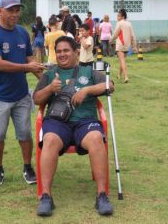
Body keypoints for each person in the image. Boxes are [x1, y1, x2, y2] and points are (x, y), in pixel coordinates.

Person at [33, 36, 114, 217]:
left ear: (76, 52)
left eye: (66, 51)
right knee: (50, 139)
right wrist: (49, 89)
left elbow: (110, 85)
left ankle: (102, 195)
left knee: (95, 138)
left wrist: (87, 90)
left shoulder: (88, 71)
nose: (62, 55)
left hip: (85, 121)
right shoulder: (50, 74)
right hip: (57, 122)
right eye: (59, 51)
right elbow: (37, 99)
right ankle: (46, 197)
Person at [0, 0, 46, 186]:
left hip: (21, 95)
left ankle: (27, 167)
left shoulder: (22, 33)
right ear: (0, 11)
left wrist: (45, 80)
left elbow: (29, 59)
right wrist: (28, 68)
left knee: (25, 133)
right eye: (11, 10)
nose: (15, 14)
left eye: (17, 10)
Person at [111, 9, 137, 83]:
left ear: (122, 16)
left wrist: (111, 40)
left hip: (120, 44)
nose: (117, 17)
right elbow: (133, 36)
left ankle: (126, 76)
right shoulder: (129, 23)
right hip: (127, 45)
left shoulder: (119, 23)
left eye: (118, 16)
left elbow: (115, 34)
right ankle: (119, 75)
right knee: (122, 60)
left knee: (122, 60)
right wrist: (134, 46)